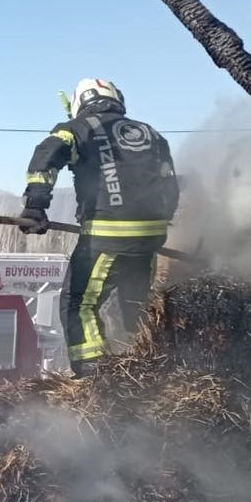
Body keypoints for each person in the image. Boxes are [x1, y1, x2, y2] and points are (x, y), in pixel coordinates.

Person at [20, 78, 179, 377]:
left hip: (107, 235)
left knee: (78, 304)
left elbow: (47, 155)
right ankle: (149, 365)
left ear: (79, 103)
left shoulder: (77, 129)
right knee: (136, 304)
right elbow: (170, 184)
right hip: (151, 236)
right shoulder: (153, 133)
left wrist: (36, 205)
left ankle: (94, 376)